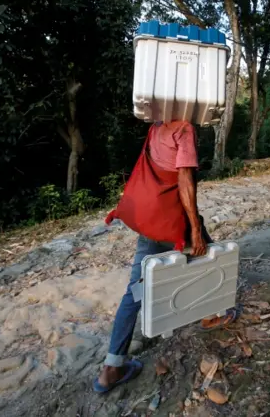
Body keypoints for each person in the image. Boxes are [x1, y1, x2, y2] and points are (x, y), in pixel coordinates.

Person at [94, 120, 238, 393]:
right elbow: (184, 178)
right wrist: (194, 229)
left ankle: (111, 367)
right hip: (171, 221)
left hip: (150, 220)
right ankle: (210, 314)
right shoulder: (183, 128)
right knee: (207, 259)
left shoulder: (157, 125)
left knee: (136, 289)